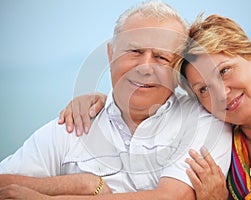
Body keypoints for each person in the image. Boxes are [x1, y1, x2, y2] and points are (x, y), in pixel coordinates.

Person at [0, 2, 232, 199]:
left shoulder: (202, 120)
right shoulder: (74, 124)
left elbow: (171, 197)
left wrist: (77, 190)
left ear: (177, 71)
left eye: (161, 57)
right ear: (111, 55)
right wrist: (82, 184)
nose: (144, 67)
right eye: (134, 52)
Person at [58, 14, 251, 199]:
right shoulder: (224, 134)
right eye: (203, 89)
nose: (221, 93)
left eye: (225, 71)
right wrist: (105, 101)